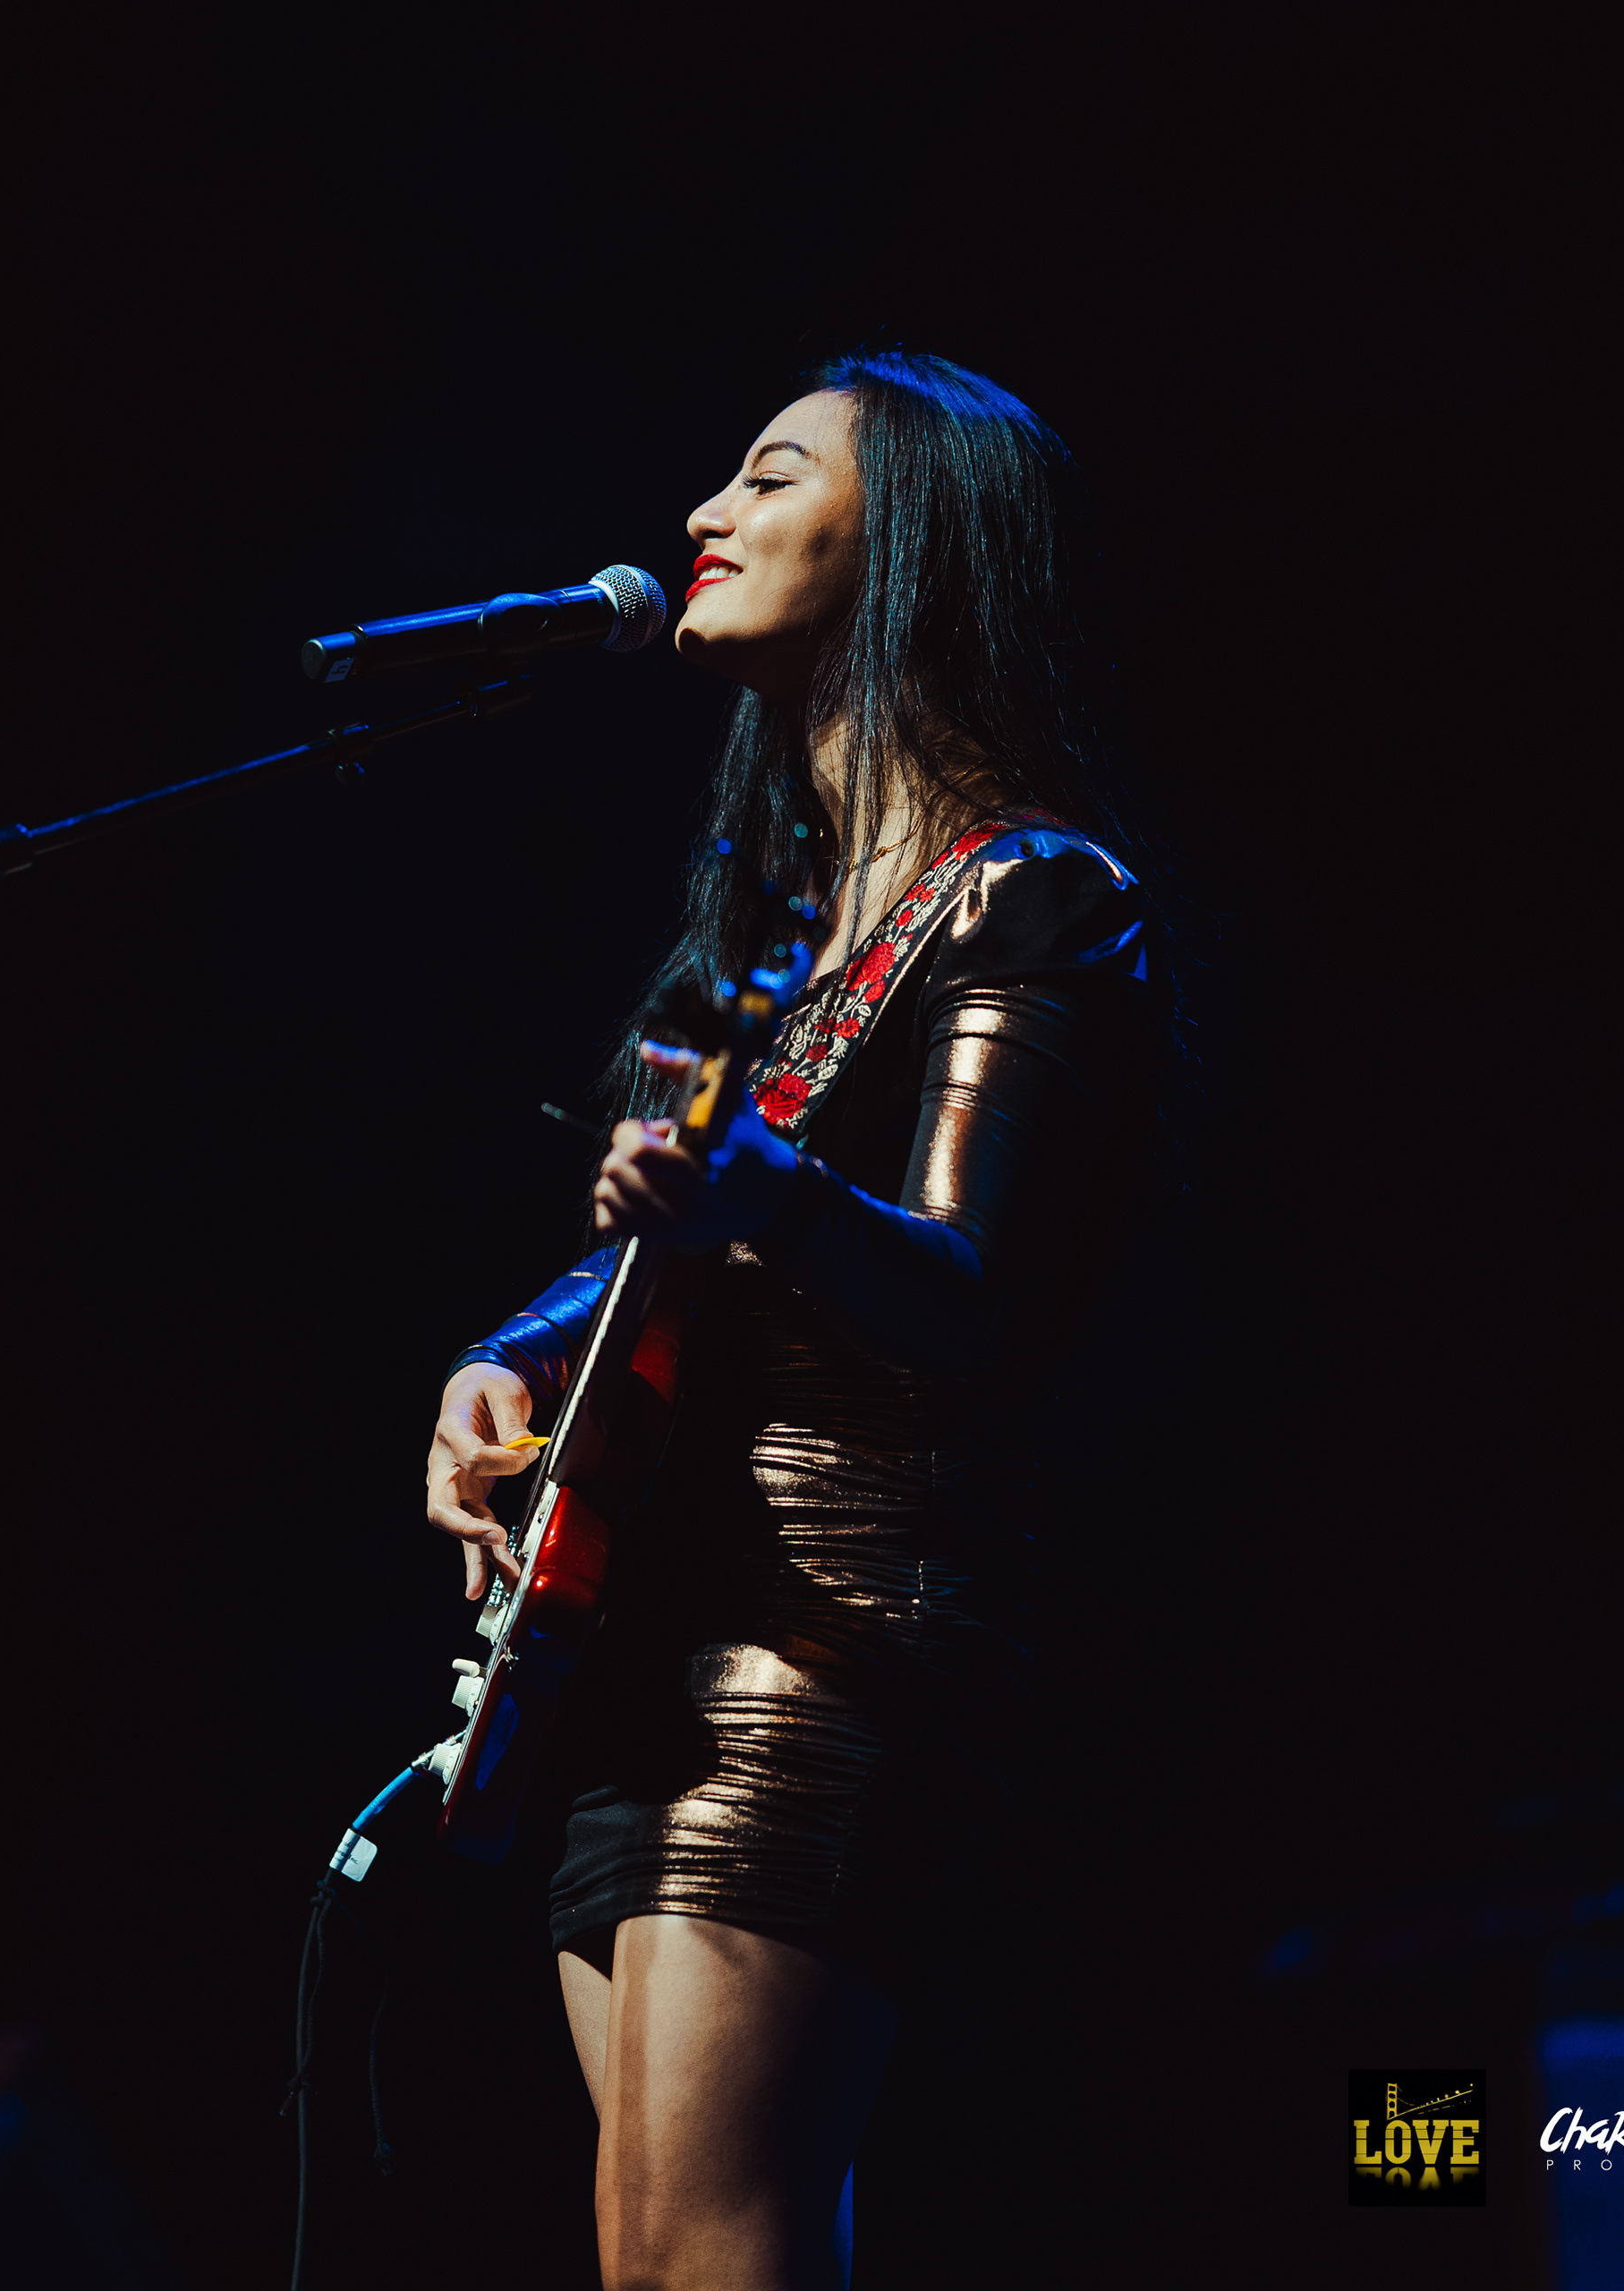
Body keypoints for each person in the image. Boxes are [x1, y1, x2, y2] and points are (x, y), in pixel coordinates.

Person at [421, 350, 1168, 2290]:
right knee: (657, 2261)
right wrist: (504, 1356)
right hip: (644, 1643)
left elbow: (968, 1291)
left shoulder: (1036, 891)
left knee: (710, 2252)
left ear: (912, 533)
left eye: (767, 475)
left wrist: (763, 1190)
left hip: (827, 1633)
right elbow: (654, 1254)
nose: (704, 513)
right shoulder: (770, 941)